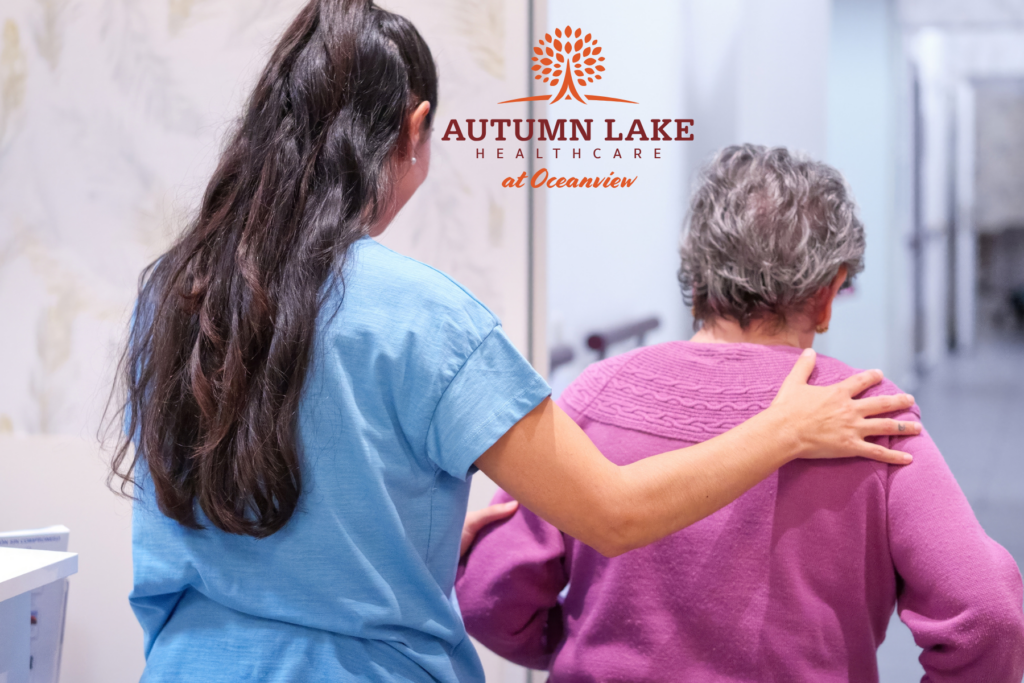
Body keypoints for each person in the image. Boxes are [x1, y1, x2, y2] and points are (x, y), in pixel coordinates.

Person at [108, 4, 920, 680]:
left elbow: (240, 502)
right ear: (413, 129)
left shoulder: (177, 291)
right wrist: (785, 431)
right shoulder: (425, 318)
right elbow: (614, 511)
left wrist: (410, 533)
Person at [456, 144, 1024, 682]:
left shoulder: (594, 397)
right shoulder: (869, 416)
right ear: (828, 295)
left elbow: (488, 595)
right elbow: (990, 613)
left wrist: (577, 643)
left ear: (696, 274)